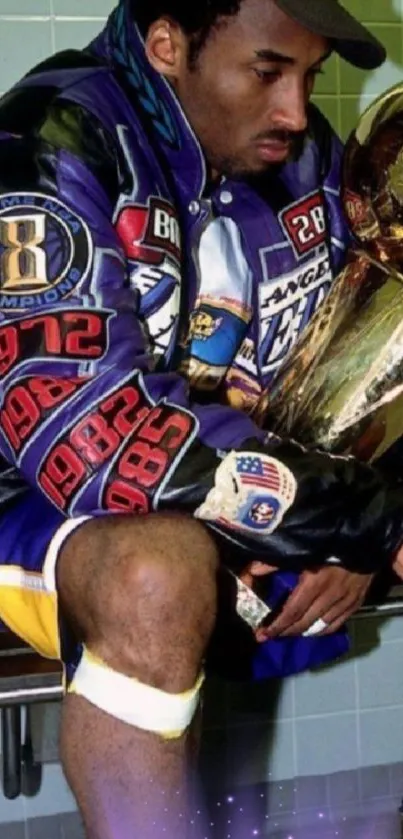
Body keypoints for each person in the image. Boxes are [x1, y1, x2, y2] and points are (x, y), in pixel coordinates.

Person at [0, 0, 401, 835]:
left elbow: (355, 378)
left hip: (236, 485)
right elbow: (90, 438)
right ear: (166, 45)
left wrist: (364, 513)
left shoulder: (301, 163)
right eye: (267, 72)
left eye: (309, 76)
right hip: (30, 494)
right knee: (158, 573)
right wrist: (356, 516)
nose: (296, 111)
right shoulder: (52, 138)